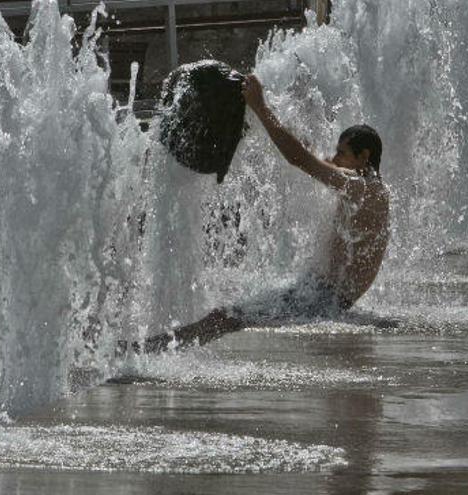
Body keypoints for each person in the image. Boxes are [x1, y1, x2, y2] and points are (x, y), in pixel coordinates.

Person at [131, 74, 390, 354]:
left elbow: (300, 159)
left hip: (324, 300)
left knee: (222, 318)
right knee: (225, 310)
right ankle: (148, 349)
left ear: (364, 157)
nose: (335, 158)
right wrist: (273, 113)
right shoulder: (364, 185)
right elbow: (309, 154)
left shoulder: (365, 190)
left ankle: (143, 352)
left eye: (342, 153)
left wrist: (260, 108)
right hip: (317, 292)